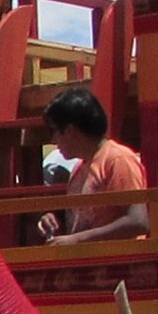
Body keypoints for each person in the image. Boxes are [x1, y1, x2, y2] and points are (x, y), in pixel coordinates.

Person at [36, 86, 146, 245]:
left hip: (119, 265)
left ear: (70, 130)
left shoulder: (118, 159)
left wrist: (77, 239)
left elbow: (138, 221)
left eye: (53, 131)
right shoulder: (78, 168)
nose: (53, 140)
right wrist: (52, 223)